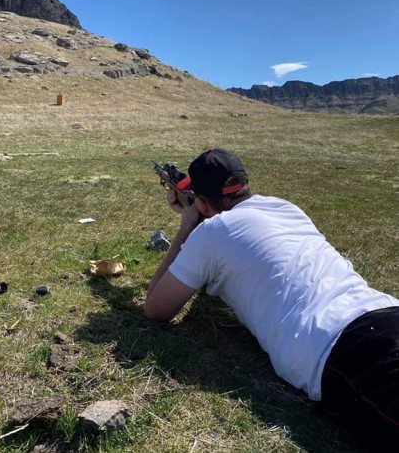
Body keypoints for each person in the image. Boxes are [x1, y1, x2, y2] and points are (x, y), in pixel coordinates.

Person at [144, 148, 399, 450]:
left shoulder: (210, 232)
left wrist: (188, 226)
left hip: (345, 347)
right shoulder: (284, 208)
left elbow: (156, 308)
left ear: (199, 202)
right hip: (384, 311)